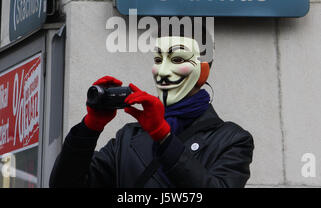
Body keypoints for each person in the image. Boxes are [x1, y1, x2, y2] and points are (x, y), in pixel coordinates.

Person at [49, 26, 254, 188]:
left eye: (177, 59)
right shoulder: (128, 139)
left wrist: (163, 137)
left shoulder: (232, 140)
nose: (162, 71)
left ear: (203, 71)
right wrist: (90, 127)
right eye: (158, 59)